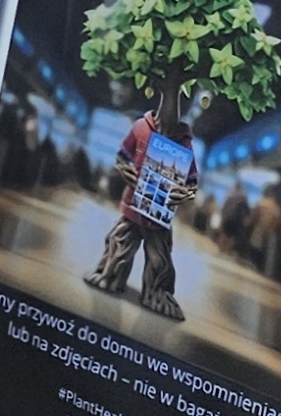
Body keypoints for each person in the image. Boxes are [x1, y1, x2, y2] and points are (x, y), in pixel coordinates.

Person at [84, 105, 199, 322]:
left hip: (159, 212)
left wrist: (185, 193)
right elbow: (122, 157)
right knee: (120, 243)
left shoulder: (184, 143)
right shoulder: (140, 127)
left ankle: (157, 293)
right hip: (133, 204)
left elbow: (192, 182)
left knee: (159, 258)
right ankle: (110, 274)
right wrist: (124, 169)